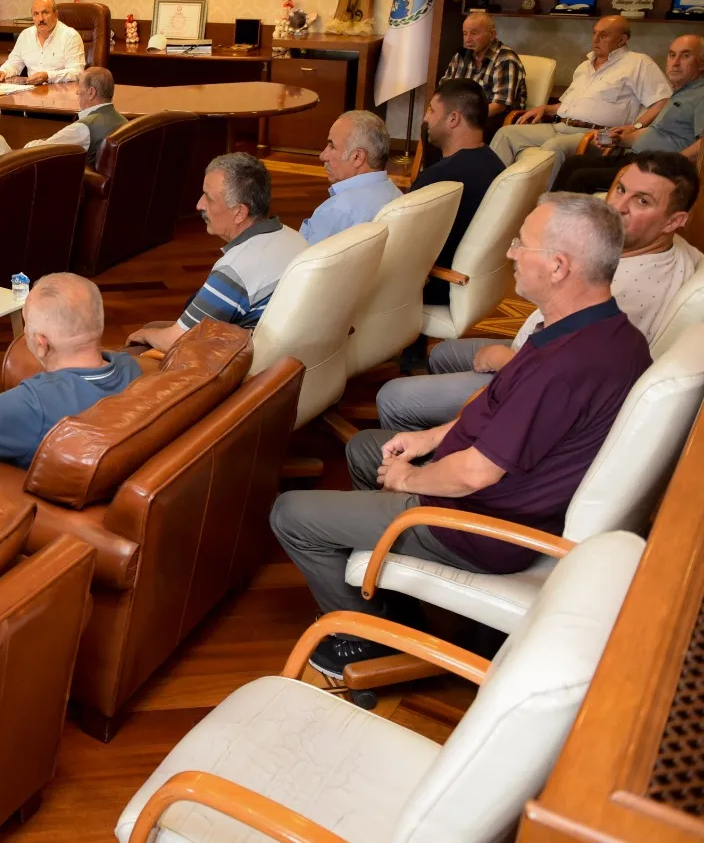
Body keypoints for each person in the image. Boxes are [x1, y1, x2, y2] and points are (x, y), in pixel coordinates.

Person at [271, 194, 650, 679]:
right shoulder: (599, 331)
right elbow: (496, 409)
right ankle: (391, 586)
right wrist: (429, 438)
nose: (510, 252)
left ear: (558, 266)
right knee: (365, 449)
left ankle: (364, 639)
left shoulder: (566, 369)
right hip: (485, 494)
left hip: (477, 523)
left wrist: (408, 481)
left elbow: (475, 473)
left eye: (521, 244)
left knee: (290, 513)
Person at [378, 152, 701, 432]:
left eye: (642, 201)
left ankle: (427, 472)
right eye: (620, 189)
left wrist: (509, 360)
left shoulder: (628, 291)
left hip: (536, 380)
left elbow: (572, 380)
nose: (619, 206)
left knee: (394, 398)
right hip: (539, 347)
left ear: (675, 220)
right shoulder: (677, 253)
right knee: (443, 354)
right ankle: (454, 431)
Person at [0, 272, 141, 468]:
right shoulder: (128, 366)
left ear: (42, 344)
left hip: (10, 475)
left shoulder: (32, 402)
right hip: (51, 430)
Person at [128, 153, 307, 352]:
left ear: (239, 212)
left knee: (147, 335)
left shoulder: (234, 270)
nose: (199, 205)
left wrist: (143, 334)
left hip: (249, 370)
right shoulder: (295, 238)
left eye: (209, 198)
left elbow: (178, 341)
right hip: (290, 359)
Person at [493, 15, 671, 177]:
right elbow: (566, 104)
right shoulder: (584, 66)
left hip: (596, 135)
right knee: (506, 134)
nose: (596, 39)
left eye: (604, 35)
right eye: (594, 33)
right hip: (560, 126)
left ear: (622, 40)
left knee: (552, 148)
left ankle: (539, 204)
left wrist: (635, 126)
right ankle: (488, 194)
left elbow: (663, 100)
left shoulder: (638, 63)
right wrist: (545, 108)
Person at [556, 34, 704, 193]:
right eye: (672, 55)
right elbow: (658, 132)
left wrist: (673, 164)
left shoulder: (700, 94)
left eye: (686, 56)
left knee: (581, 177)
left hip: (657, 170)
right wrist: (619, 140)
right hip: (637, 159)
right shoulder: (680, 93)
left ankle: (567, 216)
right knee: (573, 163)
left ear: (701, 64)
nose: (675, 63)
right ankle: (549, 212)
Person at [412, 78, 507, 306]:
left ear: (453, 119)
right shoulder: (495, 164)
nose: (426, 118)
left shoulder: (438, 179)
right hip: (472, 282)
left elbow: (401, 242)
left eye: (432, 111)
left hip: (435, 282)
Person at [300, 110, 403, 244]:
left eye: (332, 147)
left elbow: (303, 263)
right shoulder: (398, 195)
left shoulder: (336, 211)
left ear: (357, 157)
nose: (323, 155)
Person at [21, 66, 125, 165]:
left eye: (79, 86)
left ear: (91, 93)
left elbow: (39, 151)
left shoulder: (83, 128)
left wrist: (27, 146)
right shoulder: (123, 121)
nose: (77, 92)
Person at [440, 11, 526, 120]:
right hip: (462, 115)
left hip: (493, 118)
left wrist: (465, 120)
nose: (467, 39)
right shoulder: (461, 56)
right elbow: (444, 90)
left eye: (474, 33)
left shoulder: (506, 59)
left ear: (492, 34)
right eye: (465, 33)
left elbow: (500, 105)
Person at [0, 0, 85, 85]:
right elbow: (13, 63)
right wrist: (2, 71)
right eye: (36, 14)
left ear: (55, 14)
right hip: (31, 92)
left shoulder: (70, 36)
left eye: (45, 13)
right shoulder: (25, 35)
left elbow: (77, 72)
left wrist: (48, 76)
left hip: (60, 92)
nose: (41, 19)